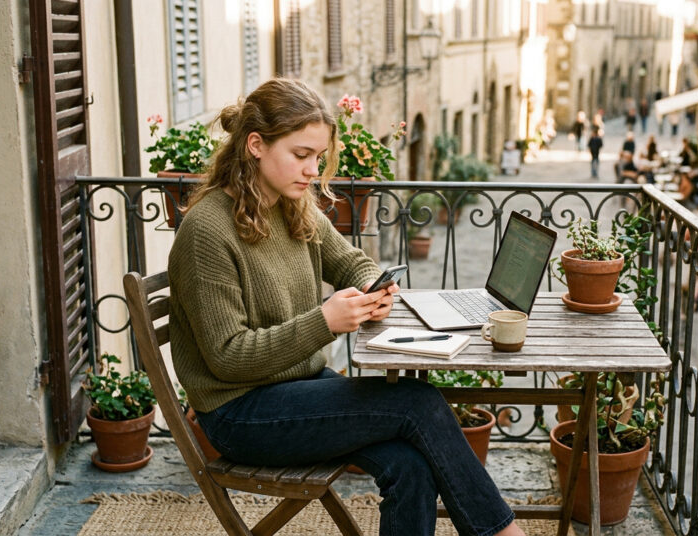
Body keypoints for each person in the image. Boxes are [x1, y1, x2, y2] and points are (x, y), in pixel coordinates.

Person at [168, 78, 526, 536]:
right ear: (255, 145)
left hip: (299, 388)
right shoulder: (207, 232)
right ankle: (502, 533)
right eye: (301, 155)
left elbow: (351, 262)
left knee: (412, 464)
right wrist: (325, 322)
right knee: (417, 403)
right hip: (241, 414)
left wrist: (370, 289)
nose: (313, 170)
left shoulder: (293, 206)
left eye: (318, 157)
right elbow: (227, 356)